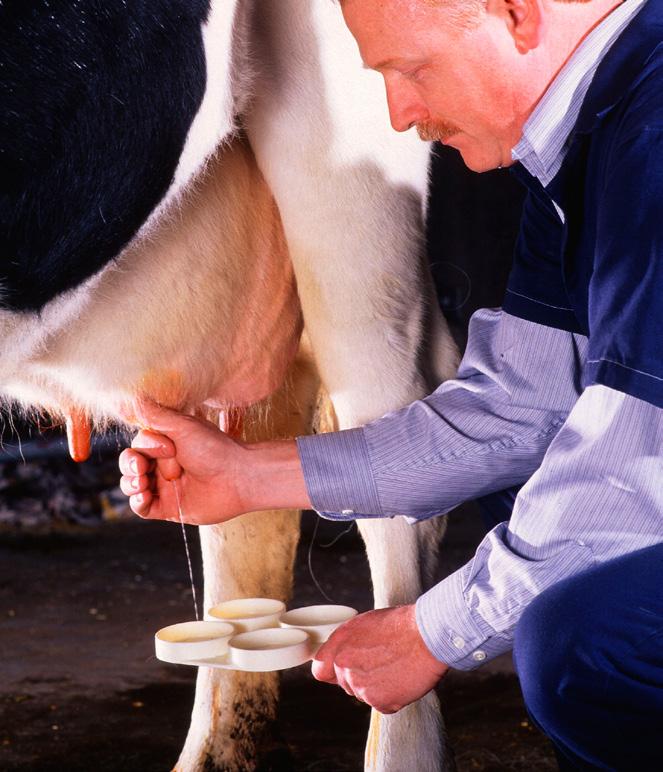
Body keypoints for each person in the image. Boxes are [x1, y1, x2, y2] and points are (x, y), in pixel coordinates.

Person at [119, 0, 663, 768]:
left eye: (409, 71)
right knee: (537, 526)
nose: (399, 114)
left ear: (512, 13)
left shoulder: (654, 137)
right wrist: (250, 476)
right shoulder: (580, 141)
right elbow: (517, 412)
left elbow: (632, 470)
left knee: (586, 640)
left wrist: (430, 630)